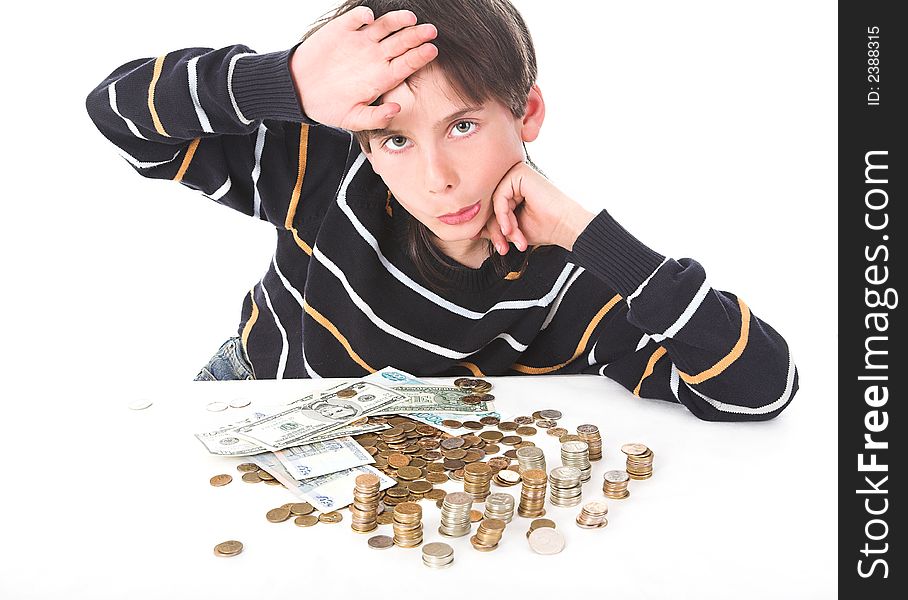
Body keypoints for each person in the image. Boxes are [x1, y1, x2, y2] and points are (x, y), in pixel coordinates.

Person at [85, 0, 798, 422]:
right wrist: (288, 81)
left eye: (463, 126)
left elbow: (761, 388)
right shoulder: (329, 166)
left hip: (395, 467)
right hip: (251, 393)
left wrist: (591, 236)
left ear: (527, 111)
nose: (438, 180)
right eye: (395, 139)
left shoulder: (562, 279)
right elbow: (118, 116)